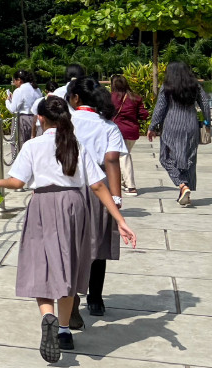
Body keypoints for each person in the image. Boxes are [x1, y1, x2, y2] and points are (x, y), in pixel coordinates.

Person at [0, 96, 136, 362]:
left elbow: (18, 181)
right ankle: (65, 331)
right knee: (70, 264)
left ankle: (48, 317)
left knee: (40, 264)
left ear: (41, 119)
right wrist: (120, 220)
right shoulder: (75, 145)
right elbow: (98, 186)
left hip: (43, 205)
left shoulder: (33, 145)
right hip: (74, 206)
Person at [67, 77, 128, 321]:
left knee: (70, 246)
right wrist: (116, 198)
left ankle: (70, 298)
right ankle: (96, 298)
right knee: (98, 246)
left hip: (69, 188)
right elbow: (112, 160)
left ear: (76, 98)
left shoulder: (65, 122)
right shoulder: (108, 126)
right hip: (100, 189)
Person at [147, 61, 211, 207]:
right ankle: (184, 190)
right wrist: (207, 122)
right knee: (188, 158)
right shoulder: (195, 86)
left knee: (165, 158)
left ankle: (183, 185)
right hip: (190, 125)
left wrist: (152, 126)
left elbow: (160, 108)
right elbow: (205, 104)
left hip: (171, 125)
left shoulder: (167, 87)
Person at [110, 75, 149, 196]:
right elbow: (144, 114)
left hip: (116, 131)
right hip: (132, 132)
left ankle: (131, 186)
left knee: (123, 156)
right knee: (122, 155)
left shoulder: (111, 98)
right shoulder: (135, 97)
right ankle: (123, 182)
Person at [6, 70, 43, 151]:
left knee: (19, 143)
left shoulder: (19, 90)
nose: (14, 83)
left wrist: (7, 101)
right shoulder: (37, 89)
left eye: (14, 80)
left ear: (19, 80)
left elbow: (13, 109)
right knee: (32, 145)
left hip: (23, 118)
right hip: (36, 118)